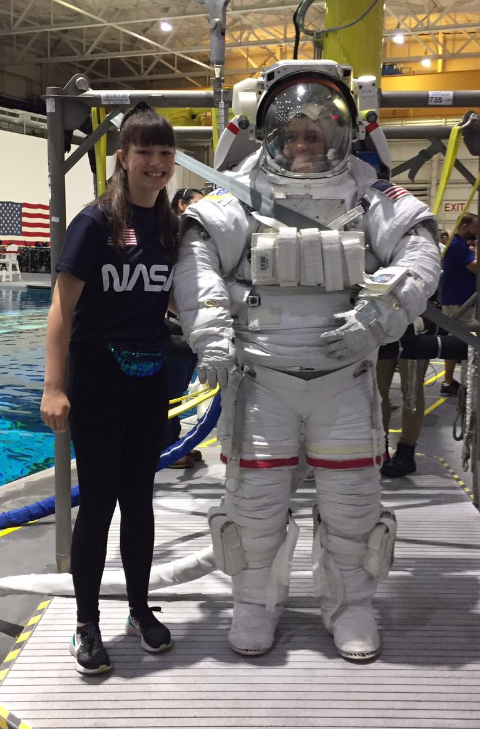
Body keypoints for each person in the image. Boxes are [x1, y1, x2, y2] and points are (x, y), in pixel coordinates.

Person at [173, 60, 441, 661]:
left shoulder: (368, 192)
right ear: (269, 132)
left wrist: (381, 313)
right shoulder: (240, 194)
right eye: (293, 132)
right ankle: (254, 604)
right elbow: (196, 258)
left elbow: (421, 252)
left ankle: (350, 605)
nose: (304, 143)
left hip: (344, 377)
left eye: (316, 133)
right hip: (261, 379)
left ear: (342, 134)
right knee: (253, 506)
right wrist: (211, 332)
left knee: (354, 505)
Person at [40, 103, 177, 675]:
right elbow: (61, 309)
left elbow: (178, 299)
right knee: (98, 502)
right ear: (123, 157)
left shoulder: (171, 226)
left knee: (139, 499)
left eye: (165, 152)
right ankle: (86, 622)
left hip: (149, 378)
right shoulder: (95, 223)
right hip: (97, 376)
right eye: (144, 151)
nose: (156, 162)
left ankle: (139, 610)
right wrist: (53, 385)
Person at [164, 187, 205, 468]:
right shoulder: (172, 234)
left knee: (176, 391)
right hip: (173, 325)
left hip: (185, 323)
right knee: (168, 391)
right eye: (198, 203)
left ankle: (173, 442)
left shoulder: (191, 237)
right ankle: (166, 447)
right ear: (182, 204)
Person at [376, 326, 430, 478]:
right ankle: (380, 446)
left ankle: (407, 451)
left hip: (413, 330)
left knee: (412, 392)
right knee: (377, 391)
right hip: (382, 329)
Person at [440, 212, 478, 395]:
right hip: (457, 300)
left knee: (459, 338)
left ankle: (450, 381)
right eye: (475, 227)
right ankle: (447, 382)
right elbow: (475, 268)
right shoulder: (456, 245)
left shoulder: (461, 244)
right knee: (456, 339)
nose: (476, 231)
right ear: (464, 226)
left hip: (461, 298)